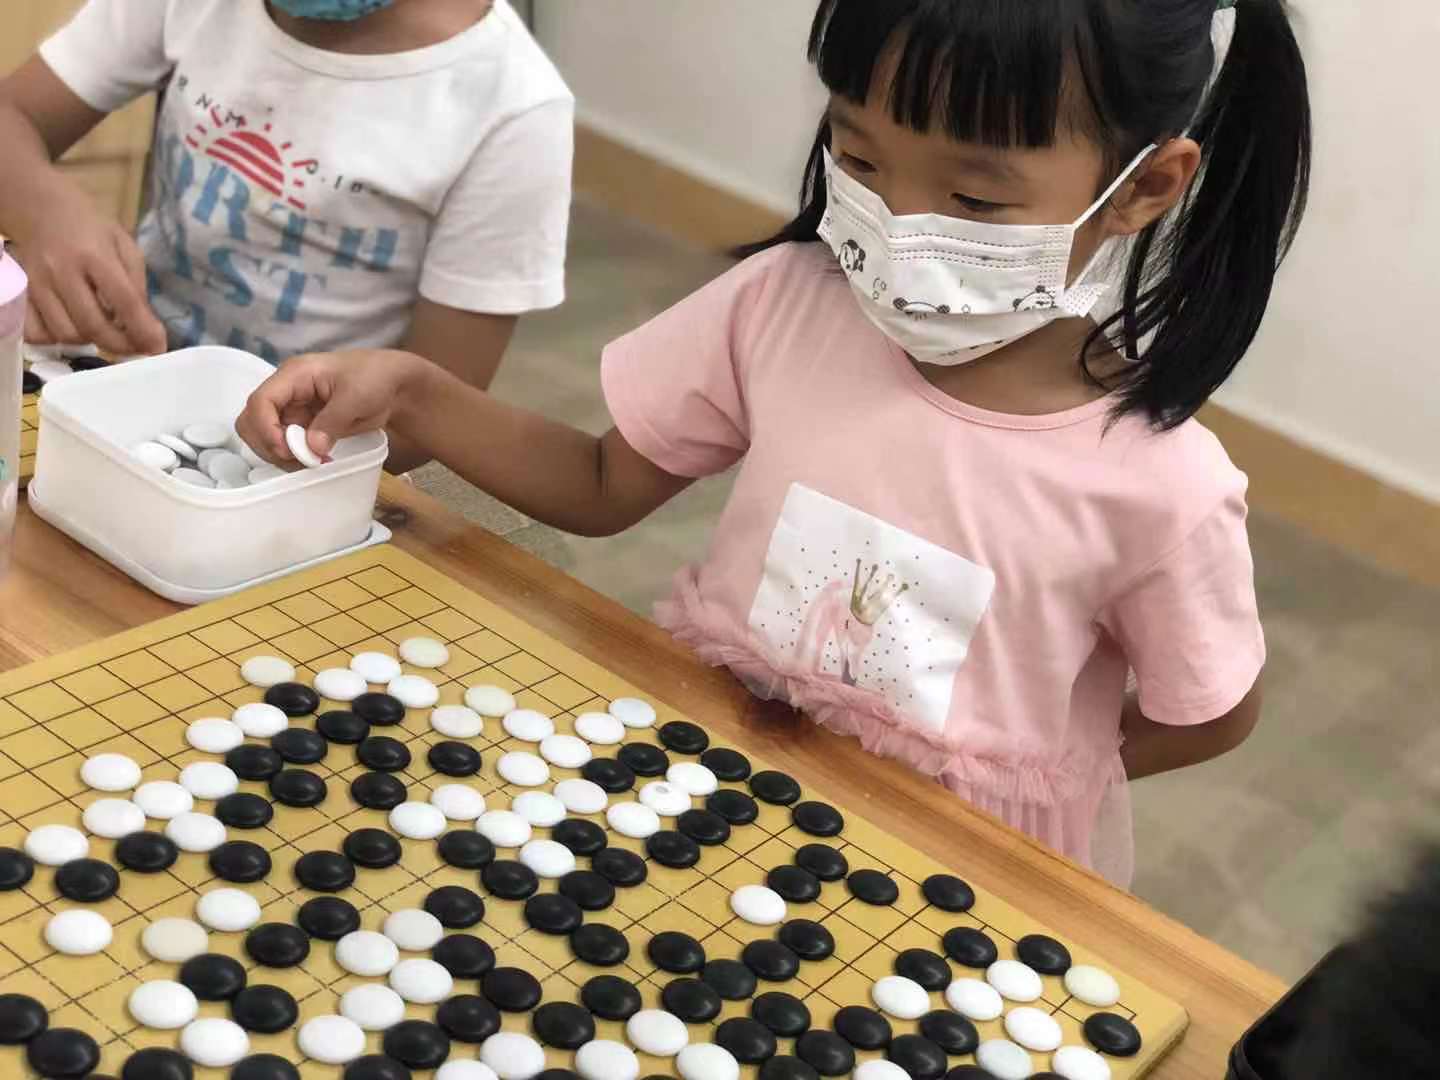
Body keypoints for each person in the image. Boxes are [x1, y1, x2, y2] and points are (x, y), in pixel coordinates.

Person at [239, 0, 1312, 885]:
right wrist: (416, 393)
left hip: (953, 875)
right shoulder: (783, 303)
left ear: (1146, 187)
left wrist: (1029, 782)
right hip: (719, 795)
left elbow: (1207, 713)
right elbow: (601, 481)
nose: (895, 220)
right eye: (860, 154)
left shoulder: (1162, 485)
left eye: (973, 196)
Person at [0, 0, 572, 472]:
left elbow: (430, 416)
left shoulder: (514, 110)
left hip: (299, 457)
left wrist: (281, 454)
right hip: (115, 379)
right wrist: (45, 212)